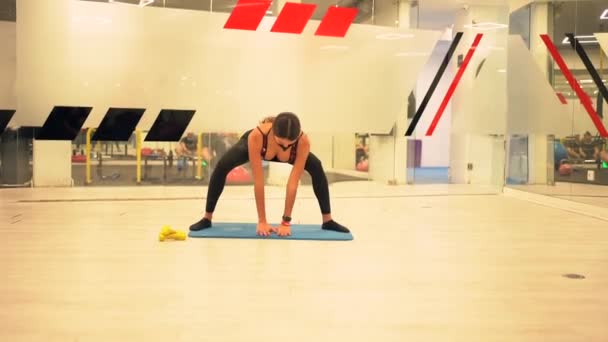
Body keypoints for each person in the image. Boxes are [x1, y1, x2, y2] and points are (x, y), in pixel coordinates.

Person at [189, 112, 350, 237]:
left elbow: (293, 182)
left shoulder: (303, 142)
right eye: (281, 142)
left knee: (317, 167)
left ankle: (327, 220)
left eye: (290, 143)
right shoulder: (257, 136)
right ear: (273, 132)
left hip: (284, 147)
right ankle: (207, 218)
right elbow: (259, 180)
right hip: (259, 146)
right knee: (222, 166)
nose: (286, 145)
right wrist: (262, 221)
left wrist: (286, 222)